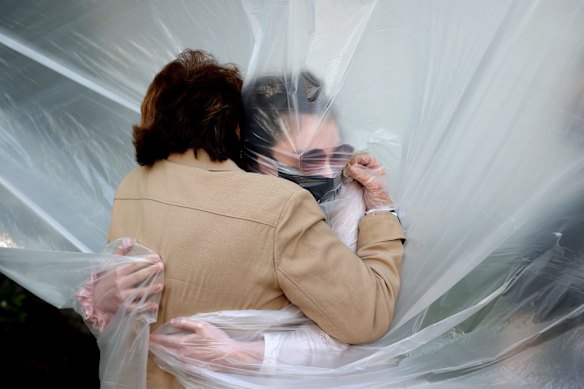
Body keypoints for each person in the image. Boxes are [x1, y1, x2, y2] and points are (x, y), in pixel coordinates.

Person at [86, 49, 404, 387]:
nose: (331, 171)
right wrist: (380, 213)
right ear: (241, 131)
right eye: (308, 158)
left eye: (337, 154)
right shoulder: (279, 205)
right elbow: (366, 318)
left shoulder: (131, 188)